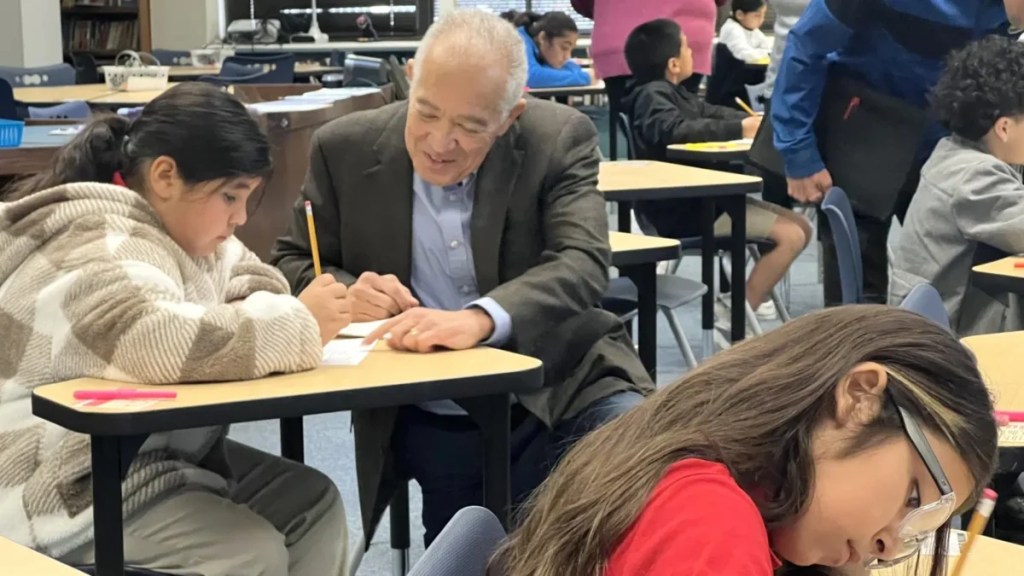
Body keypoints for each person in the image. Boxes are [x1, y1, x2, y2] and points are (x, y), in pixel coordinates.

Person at [271, 9, 653, 546]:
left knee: (636, 496)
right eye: (425, 112)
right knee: (470, 551)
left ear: (509, 115)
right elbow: (291, 261)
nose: (439, 142)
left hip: (565, 379)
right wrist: (345, 290)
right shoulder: (343, 149)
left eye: (471, 127)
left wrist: (480, 319)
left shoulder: (557, 137)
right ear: (410, 77)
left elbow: (584, 261)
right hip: (434, 400)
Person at [0, 83, 350, 575]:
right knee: (249, 551)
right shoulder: (96, 236)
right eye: (230, 196)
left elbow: (253, 278)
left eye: (246, 198)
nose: (241, 218)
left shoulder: (182, 231)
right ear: (165, 176)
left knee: (315, 506)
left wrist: (273, 314)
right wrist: (299, 324)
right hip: (52, 483)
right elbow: (157, 340)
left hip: (142, 462)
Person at [493, 306, 1000, 576]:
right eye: (912, 497)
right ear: (859, 397)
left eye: (921, 524)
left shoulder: (708, 459)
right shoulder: (710, 528)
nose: (891, 544)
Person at [769, 0, 1017, 306]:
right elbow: (806, 47)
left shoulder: (1002, 13)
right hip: (864, 134)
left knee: (967, 280)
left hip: (946, 149)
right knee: (859, 299)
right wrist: (798, 153)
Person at [622, 18, 810, 341]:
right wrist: (740, 129)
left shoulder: (674, 93)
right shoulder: (651, 96)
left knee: (803, 228)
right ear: (673, 63)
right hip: (686, 210)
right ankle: (736, 311)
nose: (694, 52)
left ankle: (740, 301)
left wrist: (749, 121)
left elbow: (708, 112)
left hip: (707, 199)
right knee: (791, 236)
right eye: (686, 46)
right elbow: (673, 131)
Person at [891, 37, 1024, 335]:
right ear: (1004, 128)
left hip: (937, 319)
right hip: (948, 339)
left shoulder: (952, 150)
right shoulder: (975, 177)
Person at [501, 10, 592, 88]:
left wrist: (579, 74)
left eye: (571, 50)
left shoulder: (537, 47)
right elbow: (531, 77)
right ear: (543, 38)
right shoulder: (519, 40)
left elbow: (570, 66)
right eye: (564, 48)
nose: (567, 56)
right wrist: (585, 78)